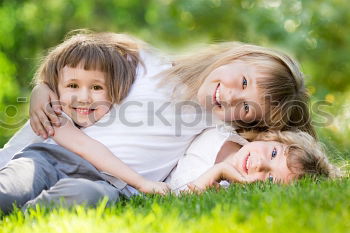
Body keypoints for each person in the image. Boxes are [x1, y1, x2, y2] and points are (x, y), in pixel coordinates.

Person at [0, 31, 314, 208]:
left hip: (108, 185)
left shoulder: (212, 127)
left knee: (87, 197)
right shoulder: (146, 61)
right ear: (238, 57)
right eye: (243, 82)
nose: (231, 97)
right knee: (13, 188)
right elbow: (71, 62)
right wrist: (43, 87)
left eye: (245, 108)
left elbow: (274, 150)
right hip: (54, 157)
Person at [0, 32, 172, 214]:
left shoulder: (122, 114)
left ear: (116, 90)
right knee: (12, 189)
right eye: (72, 85)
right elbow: (83, 146)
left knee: (90, 195)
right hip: (46, 162)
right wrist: (141, 183)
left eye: (97, 87)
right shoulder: (56, 112)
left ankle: (26, 214)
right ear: (55, 88)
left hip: (98, 181)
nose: (83, 98)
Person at [167, 127, 341, 194]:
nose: (259, 164)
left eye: (271, 179)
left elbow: (177, 199)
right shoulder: (224, 130)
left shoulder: (223, 188)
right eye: (273, 153)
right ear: (272, 138)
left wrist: (218, 170)